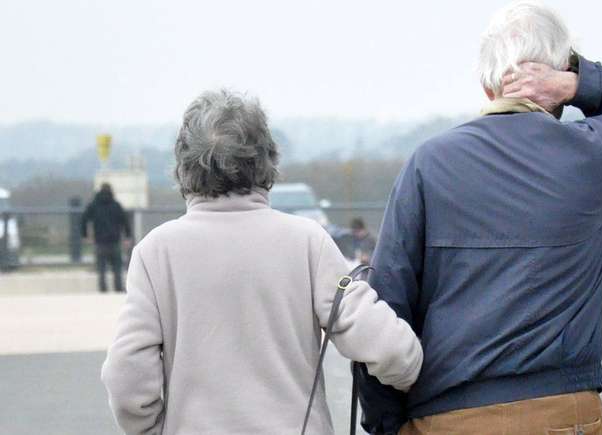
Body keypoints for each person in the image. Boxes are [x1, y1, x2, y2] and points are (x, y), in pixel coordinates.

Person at [354, 2, 602, 434]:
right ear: (556, 79)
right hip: (565, 412)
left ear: (488, 85)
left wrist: (386, 424)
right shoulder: (596, 153)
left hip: (448, 415)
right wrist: (575, 81)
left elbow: (389, 306)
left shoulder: (429, 163)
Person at [100, 90, 423, 435]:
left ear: (183, 164)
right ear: (267, 159)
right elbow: (394, 351)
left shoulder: (155, 252)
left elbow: (126, 378)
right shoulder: (307, 242)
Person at [81, 183, 131, 292]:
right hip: (115, 241)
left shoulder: (93, 205)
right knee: (117, 268)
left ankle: (103, 290)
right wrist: (127, 236)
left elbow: (84, 219)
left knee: (101, 268)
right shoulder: (116, 205)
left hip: (100, 242)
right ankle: (118, 289)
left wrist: (85, 235)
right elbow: (125, 222)